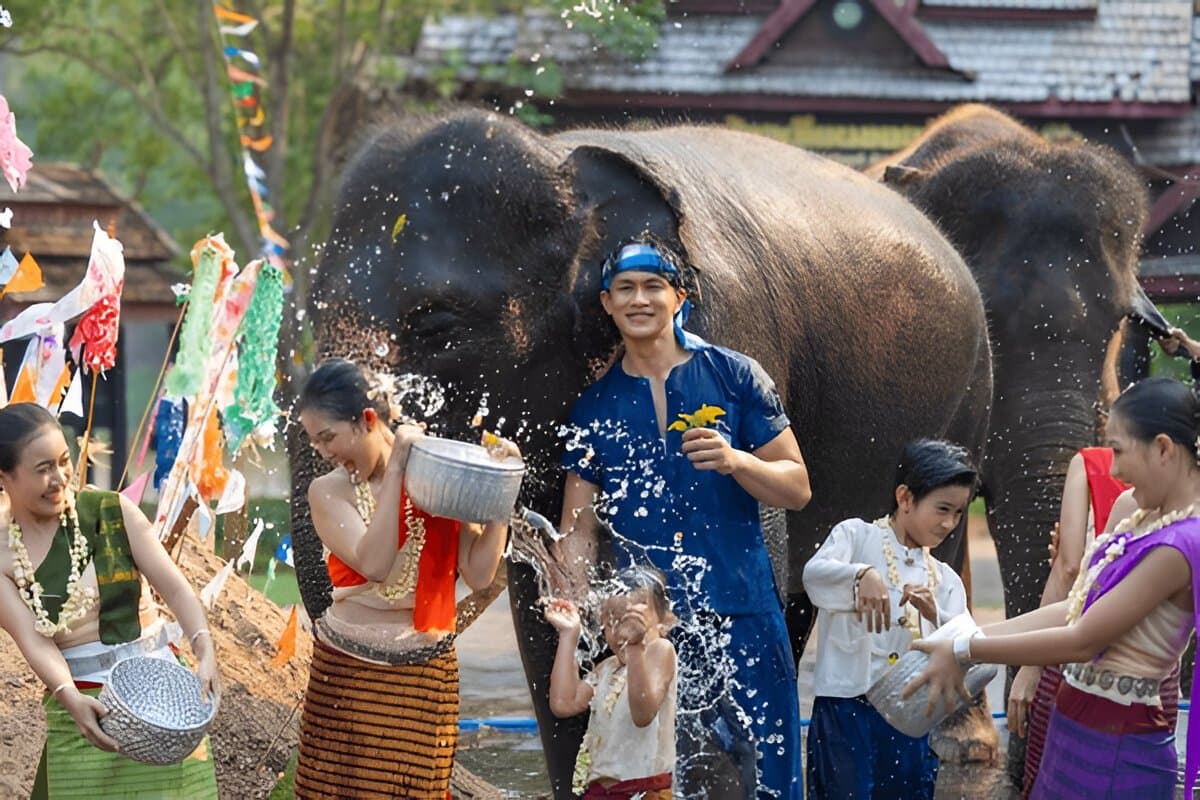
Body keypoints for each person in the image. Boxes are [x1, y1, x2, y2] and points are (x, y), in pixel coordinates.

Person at [556, 238, 812, 798]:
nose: (639, 299)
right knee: (662, 779)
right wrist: (573, 601)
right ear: (607, 303)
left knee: (771, 776)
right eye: (625, 289)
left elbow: (797, 487)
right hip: (647, 628)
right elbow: (577, 528)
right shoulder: (594, 408)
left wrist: (737, 459)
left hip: (743, 608)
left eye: (653, 287)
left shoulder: (735, 376)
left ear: (679, 296)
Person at [905, 376, 1200, 799]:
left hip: (1119, 751)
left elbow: (1083, 640)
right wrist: (966, 635)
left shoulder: (1183, 544)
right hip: (1073, 727)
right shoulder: (1136, 511)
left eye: (1118, 450)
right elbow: (1077, 607)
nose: (1113, 469)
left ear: (1164, 448)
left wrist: (965, 650)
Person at [293, 358, 517, 799]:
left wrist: (501, 490)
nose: (322, 452)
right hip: (351, 675)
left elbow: (478, 572)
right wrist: (396, 469)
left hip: (424, 677)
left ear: (368, 420)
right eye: (314, 442)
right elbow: (373, 563)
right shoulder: (329, 491)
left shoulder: (439, 473)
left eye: (328, 438)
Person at [0, 402, 220, 799]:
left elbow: (174, 587)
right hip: (84, 703)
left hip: (161, 699)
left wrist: (204, 646)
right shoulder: (2, 554)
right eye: (43, 469)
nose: (59, 478)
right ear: (4, 477)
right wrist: (69, 696)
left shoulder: (111, 511)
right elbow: (34, 640)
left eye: (64, 461)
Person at [801, 439, 972, 799]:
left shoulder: (945, 578)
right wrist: (861, 575)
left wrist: (933, 614)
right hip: (845, 708)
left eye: (959, 512)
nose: (949, 523)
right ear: (905, 498)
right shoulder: (855, 537)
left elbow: (966, 646)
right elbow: (814, 576)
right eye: (942, 508)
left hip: (909, 716)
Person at [1008, 447, 1139, 796]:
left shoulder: (1098, 469)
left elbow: (1071, 573)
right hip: (1148, 698)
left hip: (1076, 666)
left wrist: (1029, 666)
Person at [544, 565, 678, 800]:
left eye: (632, 621)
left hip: (646, 790)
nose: (622, 632)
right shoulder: (608, 668)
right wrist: (569, 635)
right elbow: (563, 703)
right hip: (601, 792)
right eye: (612, 622)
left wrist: (636, 648)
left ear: (664, 623)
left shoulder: (660, 651)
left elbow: (643, 713)